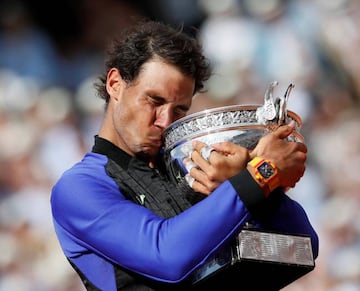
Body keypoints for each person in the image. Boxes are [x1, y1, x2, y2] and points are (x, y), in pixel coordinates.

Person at [50, 20, 319, 290]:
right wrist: (259, 175)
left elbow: (302, 248)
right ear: (115, 84)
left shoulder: (195, 170)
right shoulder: (79, 187)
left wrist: (260, 188)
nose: (165, 120)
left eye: (179, 110)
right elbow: (166, 256)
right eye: (154, 101)